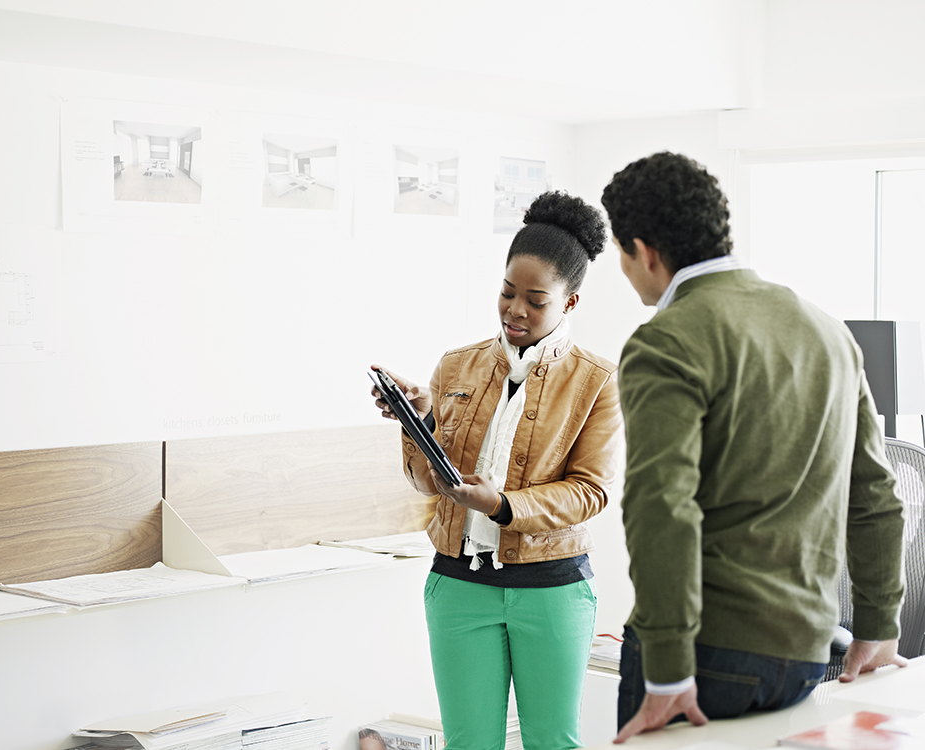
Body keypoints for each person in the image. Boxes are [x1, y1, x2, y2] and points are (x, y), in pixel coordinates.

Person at [599, 151, 908, 743]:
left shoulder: (666, 341)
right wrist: (878, 624)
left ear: (645, 251)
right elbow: (875, 494)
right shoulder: (825, 330)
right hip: (806, 651)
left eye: (620, 254)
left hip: (701, 655)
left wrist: (666, 670)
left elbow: (662, 508)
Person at [370, 190, 624, 750]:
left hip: (551, 589)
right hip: (458, 585)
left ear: (570, 304)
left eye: (536, 300)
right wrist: (422, 421)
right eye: (508, 293)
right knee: (468, 743)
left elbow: (591, 492)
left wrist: (503, 506)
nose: (515, 310)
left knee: (551, 742)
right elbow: (424, 480)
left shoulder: (596, 381)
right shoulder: (456, 365)